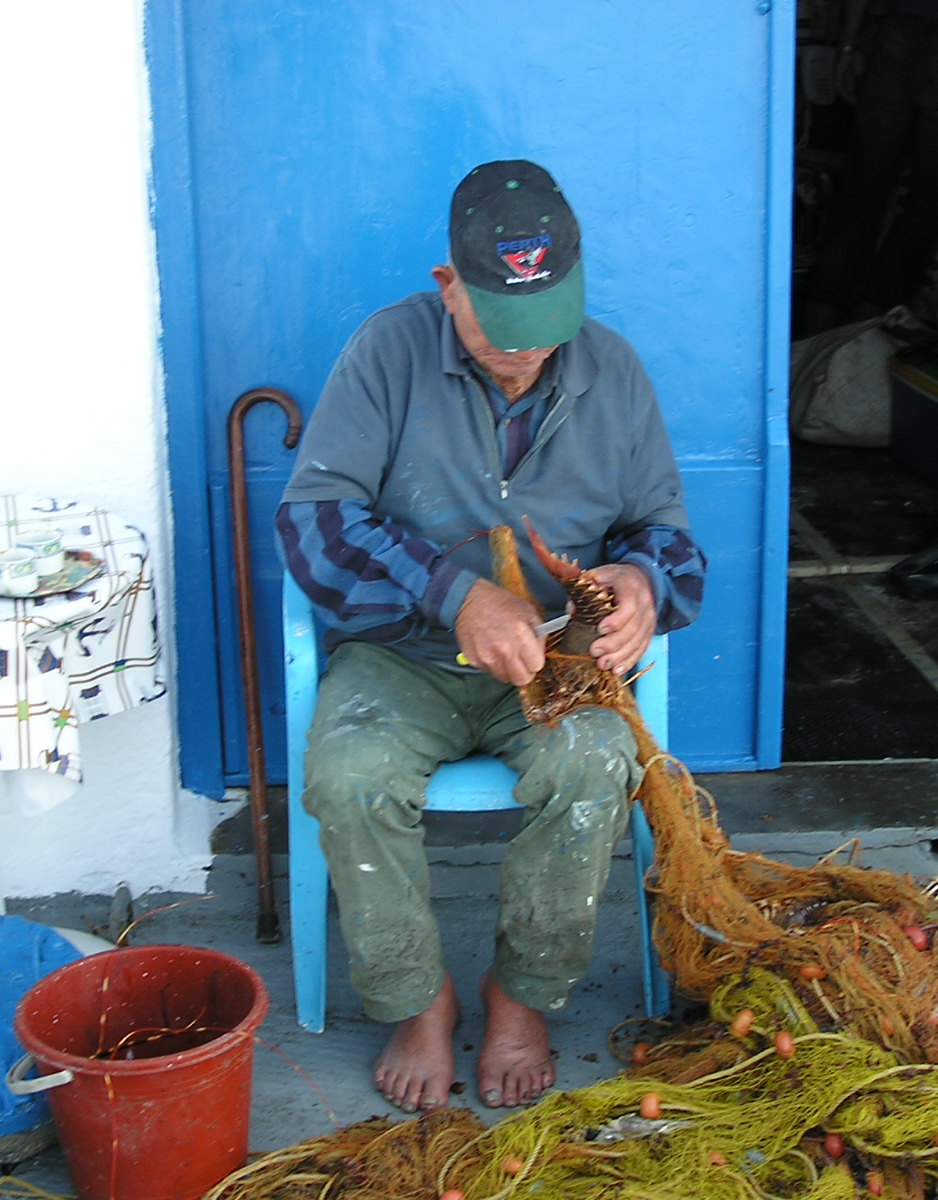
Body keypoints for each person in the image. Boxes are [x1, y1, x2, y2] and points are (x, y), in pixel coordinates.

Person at [276, 159, 706, 1114]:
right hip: (404, 660)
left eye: (546, 332)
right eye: (502, 333)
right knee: (349, 774)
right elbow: (314, 524)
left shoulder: (615, 370)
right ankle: (415, 998)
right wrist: (453, 593)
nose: (526, 356)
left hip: (555, 667)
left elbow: (671, 542)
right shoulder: (386, 354)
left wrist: (643, 585)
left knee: (596, 762)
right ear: (449, 288)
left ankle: (521, 995)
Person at [799, 0, 938, 335]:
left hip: (897, 32)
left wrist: (848, 44)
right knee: (929, 199)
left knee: (861, 190)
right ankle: (868, 321)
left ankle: (818, 323)